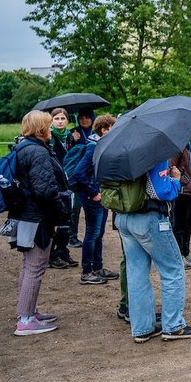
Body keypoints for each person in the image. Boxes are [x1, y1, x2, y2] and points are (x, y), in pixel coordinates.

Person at [115, 159, 191, 342]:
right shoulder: (153, 155)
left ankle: (142, 328)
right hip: (149, 217)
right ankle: (174, 326)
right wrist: (175, 180)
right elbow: (161, 191)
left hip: (124, 216)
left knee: (136, 273)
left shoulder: (121, 154)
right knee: (173, 269)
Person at [9, 111, 71, 336]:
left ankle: (28, 312)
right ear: (41, 128)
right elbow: (44, 190)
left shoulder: (24, 147)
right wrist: (61, 209)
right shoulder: (38, 151)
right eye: (48, 124)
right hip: (37, 217)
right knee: (35, 266)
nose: (52, 128)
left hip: (27, 214)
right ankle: (26, 320)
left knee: (29, 265)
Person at [71, 114, 118, 285]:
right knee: (92, 233)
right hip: (92, 197)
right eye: (112, 128)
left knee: (99, 233)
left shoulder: (101, 145)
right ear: (104, 130)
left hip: (99, 195)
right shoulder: (93, 147)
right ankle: (87, 272)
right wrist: (93, 192)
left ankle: (98, 267)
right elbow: (79, 173)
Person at [47, 108, 78, 269]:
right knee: (54, 219)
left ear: (67, 121)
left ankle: (63, 251)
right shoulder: (48, 137)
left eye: (62, 118)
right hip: (54, 181)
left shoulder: (71, 136)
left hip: (68, 181)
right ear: (51, 121)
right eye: (56, 118)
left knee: (67, 218)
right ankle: (51, 255)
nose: (60, 121)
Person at [169, 135, 191, 270]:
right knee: (179, 225)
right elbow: (172, 166)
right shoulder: (178, 146)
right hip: (183, 191)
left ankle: (186, 252)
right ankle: (179, 256)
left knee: (189, 224)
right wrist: (184, 180)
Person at [66, 108, 95, 248]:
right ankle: (72, 236)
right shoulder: (72, 132)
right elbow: (67, 153)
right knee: (75, 208)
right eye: (81, 118)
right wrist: (71, 139)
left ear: (92, 118)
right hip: (77, 175)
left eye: (87, 117)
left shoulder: (96, 131)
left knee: (93, 208)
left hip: (93, 176)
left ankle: (93, 235)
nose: (84, 120)